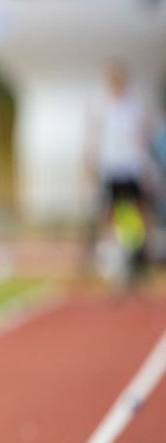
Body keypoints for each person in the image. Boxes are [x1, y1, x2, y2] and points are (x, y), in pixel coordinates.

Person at [85, 61, 156, 280]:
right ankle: (107, 256)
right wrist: (89, 165)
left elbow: (142, 139)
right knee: (108, 212)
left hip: (131, 167)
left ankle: (137, 254)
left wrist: (146, 167)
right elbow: (94, 139)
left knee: (136, 211)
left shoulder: (135, 107)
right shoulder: (100, 107)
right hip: (110, 167)